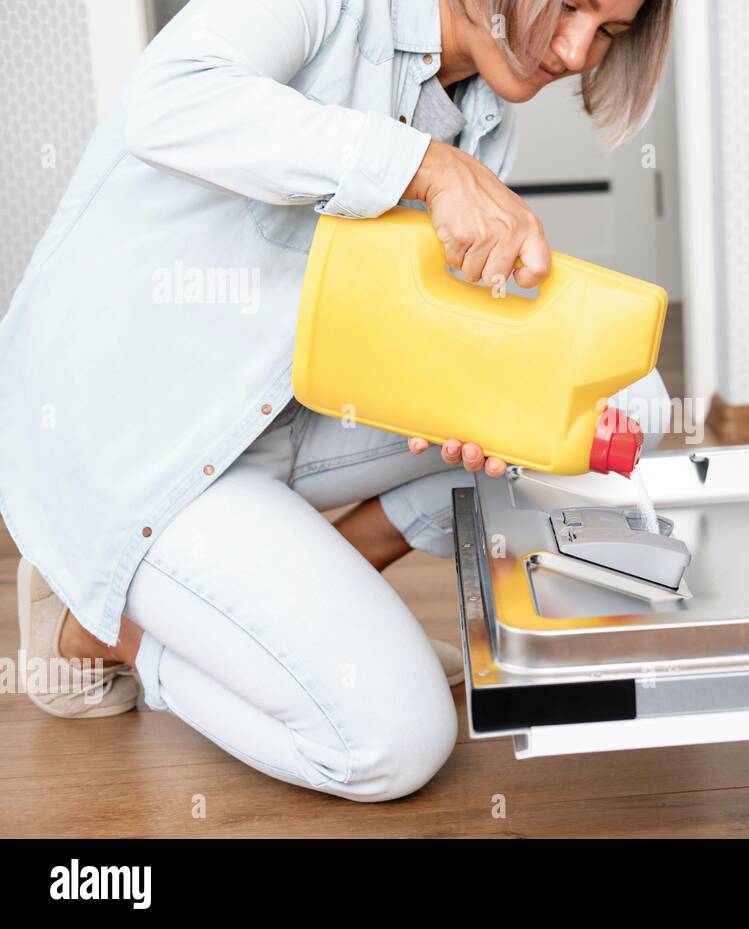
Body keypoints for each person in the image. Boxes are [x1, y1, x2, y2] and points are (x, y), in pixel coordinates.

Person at [0, 0, 674, 801]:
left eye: (608, 32)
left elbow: (376, 317)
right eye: (568, 5)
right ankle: (102, 629)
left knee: (626, 404)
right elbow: (168, 97)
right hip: (142, 435)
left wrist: (480, 404)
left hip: (284, 411)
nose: (573, 49)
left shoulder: (486, 121)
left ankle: (318, 588)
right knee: (394, 742)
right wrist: (425, 164)